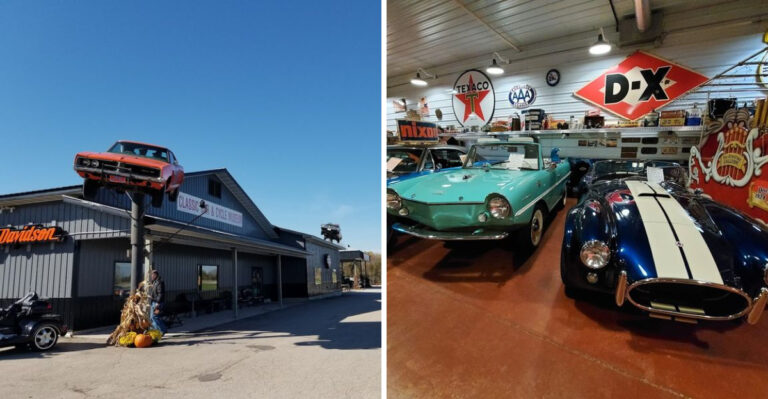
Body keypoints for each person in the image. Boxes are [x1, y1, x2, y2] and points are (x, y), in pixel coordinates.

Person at [147, 270, 167, 335]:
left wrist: (158, 302)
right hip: (153, 302)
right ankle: (155, 332)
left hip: (157, 303)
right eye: (151, 275)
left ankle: (162, 330)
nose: (151, 276)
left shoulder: (159, 282)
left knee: (155, 317)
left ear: (156, 275)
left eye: (153, 275)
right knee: (152, 318)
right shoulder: (154, 282)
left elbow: (161, 293)